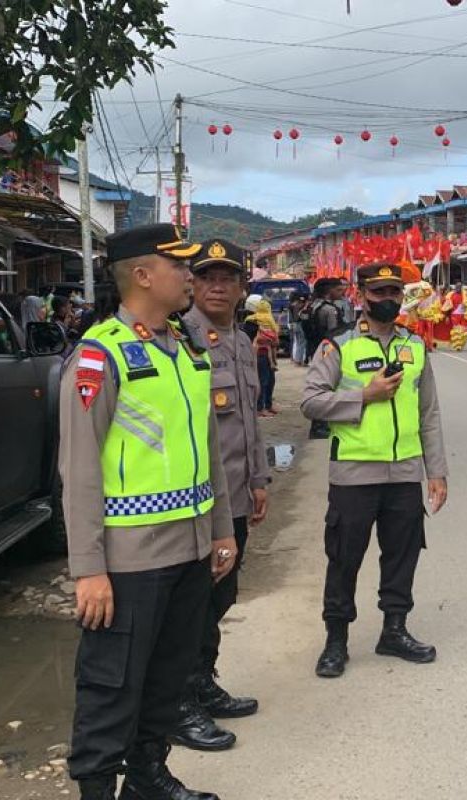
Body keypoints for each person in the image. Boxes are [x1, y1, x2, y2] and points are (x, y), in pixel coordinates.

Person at [61, 224, 233, 800]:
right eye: (179, 265)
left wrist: (220, 532)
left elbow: (206, 451)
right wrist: (89, 568)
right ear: (141, 275)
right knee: (111, 687)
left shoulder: (185, 350)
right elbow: (80, 469)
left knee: (165, 678)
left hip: (189, 551)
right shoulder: (99, 354)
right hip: (129, 561)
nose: (191, 275)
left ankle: (148, 779)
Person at [300, 262, 449, 679]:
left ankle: (395, 630)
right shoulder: (339, 346)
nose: (388, 300)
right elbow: (311, 402)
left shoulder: (415, 346)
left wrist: (435, 470)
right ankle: (335, 641)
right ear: (361, 295)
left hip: (404, 473)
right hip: (355, 473)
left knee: (402, 556)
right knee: (344, 559)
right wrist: (365, 396)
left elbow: (429, 413)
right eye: (379, 292)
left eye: (395, 293)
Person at [174, 239, 269, 753]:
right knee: (192, 603)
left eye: (226, 277)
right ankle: (179, 701)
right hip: (196, 506)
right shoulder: (178, 340)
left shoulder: (242, 339)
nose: (216, 285)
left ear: (240, 287)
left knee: (221, 597)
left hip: (235, 496)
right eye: (206, 276)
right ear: (191, 282)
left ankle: (203, 681)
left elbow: (248, 422)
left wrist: (259, 482)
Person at [307, 279, 347, 438]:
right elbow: (335, 333)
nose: (342, 293)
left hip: (315, 349)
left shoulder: (311, 306)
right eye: (338, 290)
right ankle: (321, 425)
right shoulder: (330, 310)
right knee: (328, 387)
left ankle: (317, 425)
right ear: (328, 292)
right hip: (328, 351)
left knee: (318, 385)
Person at [289, 291, 310, 365]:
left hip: (294, 325)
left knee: (298, 342)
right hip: (299, 324)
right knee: (302, 342)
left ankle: (296, 359)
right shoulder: (301, 306)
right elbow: (303, 316)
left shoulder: (294, 305)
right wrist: (305, 306)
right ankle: (298, 360)